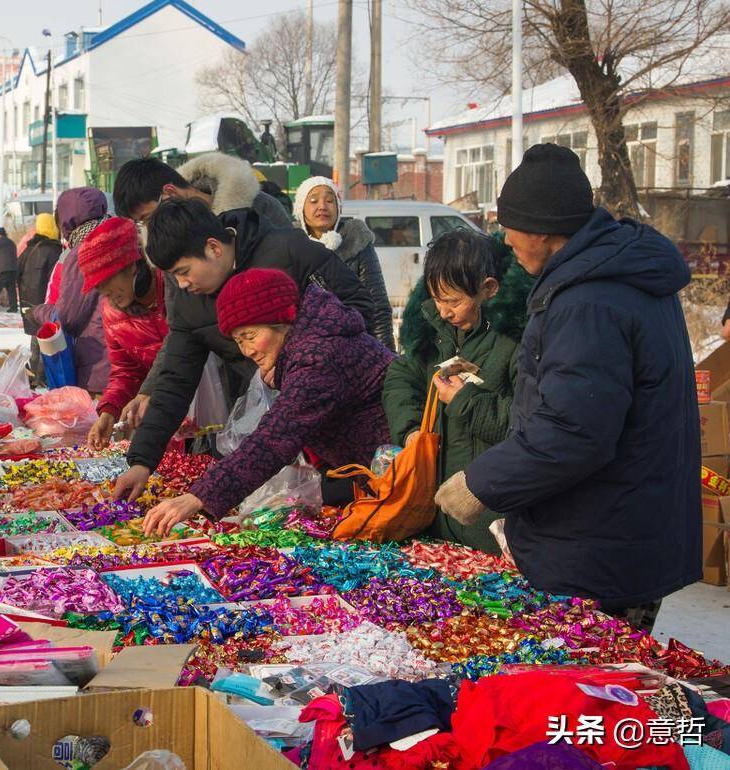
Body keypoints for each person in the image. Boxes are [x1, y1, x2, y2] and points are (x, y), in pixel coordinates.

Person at [435, 143, 700, 630]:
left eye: (510, 225)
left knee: (590, 675)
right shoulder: (612, 277)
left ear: (541, 229)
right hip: (619, 530)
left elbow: (573, 430)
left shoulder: (590, 301)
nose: (505, 238)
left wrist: (481, 485)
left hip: (600, 545)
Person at [112, 197, 375, 500]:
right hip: (265, 416)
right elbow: (175, 381)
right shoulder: (188, 303)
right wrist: (142, 461)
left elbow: (358, 308)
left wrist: (298, 359)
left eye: (184, 271)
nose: (181, 284)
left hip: (341, 410)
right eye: (174, 276)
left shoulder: (290, 250)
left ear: (214, 247)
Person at [141, 268, 394, 535]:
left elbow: (275, 438)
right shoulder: (310, 341)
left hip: (399, 474)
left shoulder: (318, 357)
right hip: (379, 474)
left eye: (250, 336)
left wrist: (199, 496)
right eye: (238, 341)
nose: (247, 351)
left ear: (282, 321)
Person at [382, 230, 532, 554]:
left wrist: (465, 401)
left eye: (454, 302)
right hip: (435, 519)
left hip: (490, 524)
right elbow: (401, 376)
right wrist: (410, 431)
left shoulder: (517, 340)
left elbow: (528, 424)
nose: (444, 312)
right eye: (438, 299)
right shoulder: (432, 331)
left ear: (488, 289)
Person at [77, 217, 169, 449]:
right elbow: (125, 371)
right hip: (164, 415)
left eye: (107, 281)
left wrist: (150, 392)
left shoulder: (174, 284)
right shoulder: (112, 312)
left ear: (132, 265)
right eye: (99, 288)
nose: (106, 293)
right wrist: (109, 411)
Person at [292, 176, 394, 349]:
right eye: (314, 200)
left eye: (329, 200)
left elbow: (377, 306)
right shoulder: (291, 248)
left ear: (338, 208)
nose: (322, 206)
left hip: (354, 346)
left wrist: (386, 353)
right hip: (305, 349)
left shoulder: (357, 242)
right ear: (301, 208)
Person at [31, 188, 111, 394]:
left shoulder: (82, 251)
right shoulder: (116, 238)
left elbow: (66, 317)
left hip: (98, 363)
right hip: (126, 363)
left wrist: (37, 312)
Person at [112, 154, 291, 230]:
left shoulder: (261, 207)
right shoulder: (167, 242)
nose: (149, 227)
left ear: (170, 192)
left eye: (147, 218)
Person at [19, 213, 63, 307]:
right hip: (46, 305)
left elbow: (16, 272)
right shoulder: (55, 250)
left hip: (26, 304)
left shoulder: (28, 249)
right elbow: (58, 280)